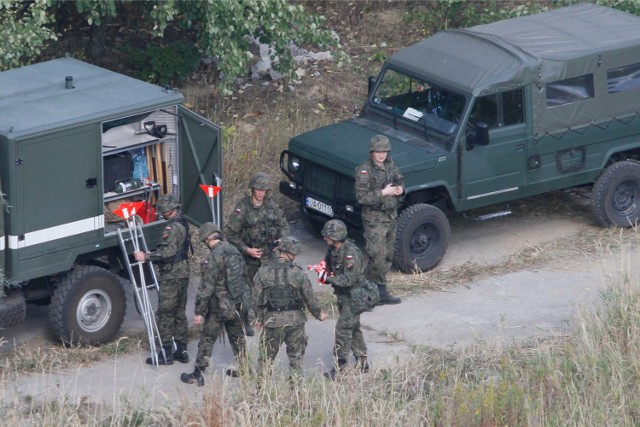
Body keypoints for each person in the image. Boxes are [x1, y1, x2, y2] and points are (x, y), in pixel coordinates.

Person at [253, 236, 328, 384]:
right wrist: (318, 314)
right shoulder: (298, 273)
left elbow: (255, 298)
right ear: (289, 253)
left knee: (266, 359)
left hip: (272, 321)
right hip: (296, 322)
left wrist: (259, 318)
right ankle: (296, 394)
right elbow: (309, 297)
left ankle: (261, 393)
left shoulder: (263, 272)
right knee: (296, 358)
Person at [181, 222, 248, 386]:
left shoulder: (213, 257)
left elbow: (206, 287)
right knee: (238, 337)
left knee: (207, 339)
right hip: (236, 302)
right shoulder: (234, 251)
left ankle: (198, 374)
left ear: (206, 239)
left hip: (219, 306)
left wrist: (199, 312)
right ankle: (246, 368)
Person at [226, 172, 290, 336]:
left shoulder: (272, 206)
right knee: (247, 290)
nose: (261, 193)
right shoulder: (243, 208)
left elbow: (283, 226)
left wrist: (280, 243)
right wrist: (246, 249)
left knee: (270, 287)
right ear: (252, 189)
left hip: (268, 255)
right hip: (249, 258)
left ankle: (267, 318)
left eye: (264, 190)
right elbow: (231, 234)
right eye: (258, 189)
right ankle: (245, 320)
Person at [133, 194, 191, 365]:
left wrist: (146, 256)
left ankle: (166, 353)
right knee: (180, 312)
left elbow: (167, 252)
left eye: (163, 211)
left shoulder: (172, 228)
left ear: (168, 211)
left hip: (172, 274)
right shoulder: (183, 223)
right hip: (183, 272)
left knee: (165, 313)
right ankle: (182, 349)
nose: (162, 214)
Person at [354, 135, 402, 305]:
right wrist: (383, 193)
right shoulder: (365, 170)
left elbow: (399, 180)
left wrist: (399, 190)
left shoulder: (390, 164)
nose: (381, 155)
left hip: (390, 215)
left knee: (388, 256)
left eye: (384, 151)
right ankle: (363, 291)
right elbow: (361, 197)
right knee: (377, 257)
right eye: (378, 151)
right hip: (374, 219)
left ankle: (381, 292)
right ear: (372, 152)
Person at [321, 219, 369, 379]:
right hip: (343, 296)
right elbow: (329, 265)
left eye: (328, 236)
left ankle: (340, 367)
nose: (325, 238)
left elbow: (350, 279)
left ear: (336, 237)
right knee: (353, 329)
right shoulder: (332, 249)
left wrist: (329, 279)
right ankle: (363, 363)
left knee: (342, 330)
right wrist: (324, 271)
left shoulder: (351, 253)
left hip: (355, 297)